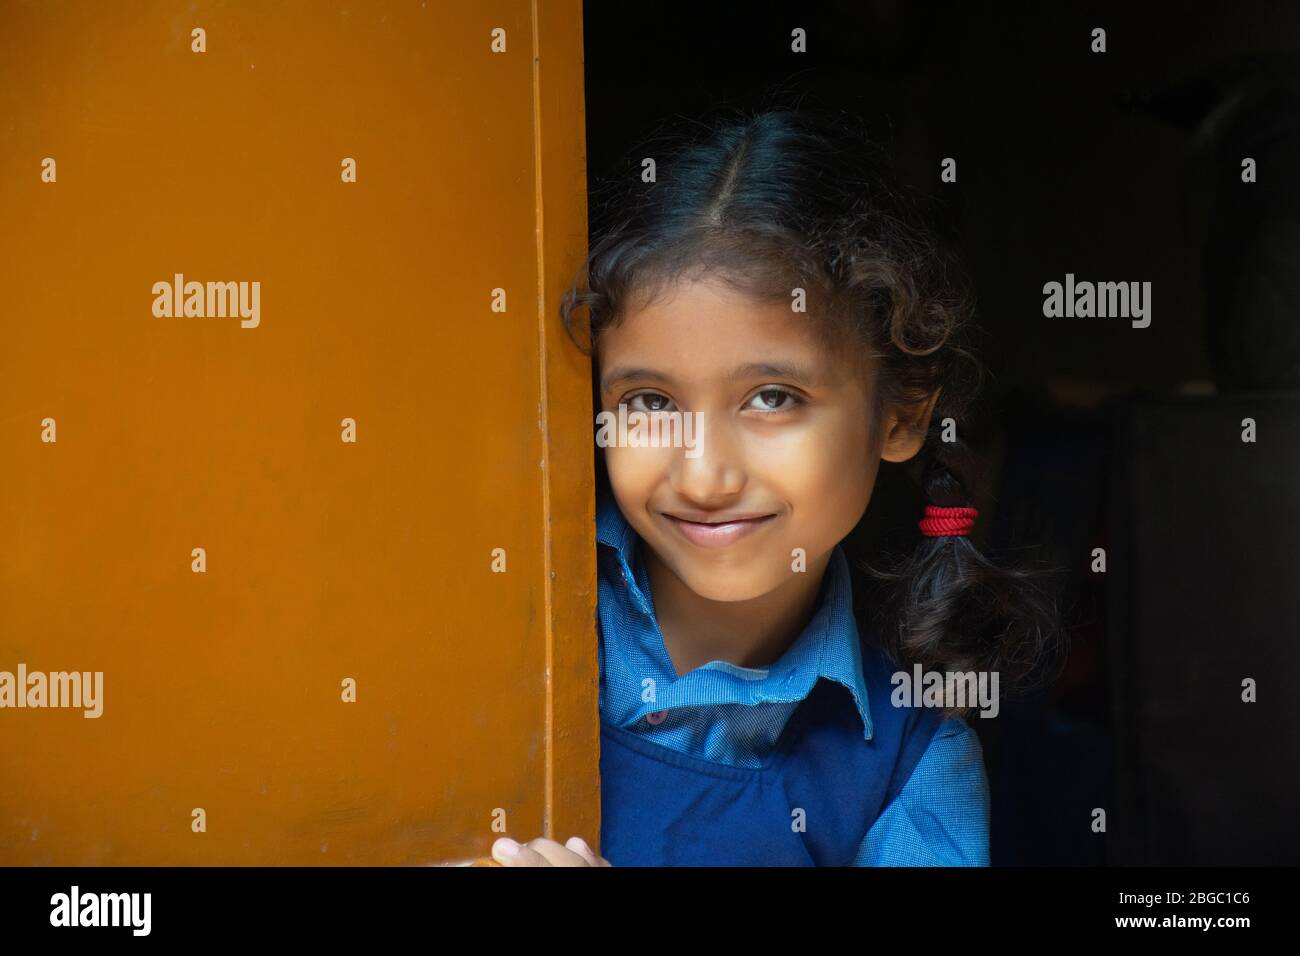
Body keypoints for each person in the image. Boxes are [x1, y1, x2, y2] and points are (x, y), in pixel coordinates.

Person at [492, 102, 1061, 867]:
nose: (704, 475)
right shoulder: (497, 624)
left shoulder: (907, 768)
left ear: (903, 413)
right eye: (650, 403)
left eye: (772, 398)